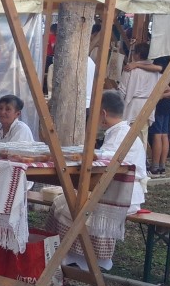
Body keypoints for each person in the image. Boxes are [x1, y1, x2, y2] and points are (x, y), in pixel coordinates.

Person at [52, 90, 148, 271]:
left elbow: (105, 164)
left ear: (102, 113)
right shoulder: (119, 132)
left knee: (66, 205)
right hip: (117, 190)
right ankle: (71, 256)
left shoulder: (120, 135)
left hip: (122, 195)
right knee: (64, 201)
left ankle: (84, 259)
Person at [118, 42, 158, 140]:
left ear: (138, 54)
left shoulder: (130, 68)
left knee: (127, 135)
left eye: (134, 52)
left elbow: (122, 90)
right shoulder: (154, 69)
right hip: (148, 103)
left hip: (133, 105)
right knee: (143, 135)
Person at [148, 53, 170, 175]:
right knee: (164, 135)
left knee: (157, 135)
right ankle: (162, 166)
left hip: (160, 105)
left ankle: (155, 166)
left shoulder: (160, 68)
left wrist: (160, 95)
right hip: (169, 105)